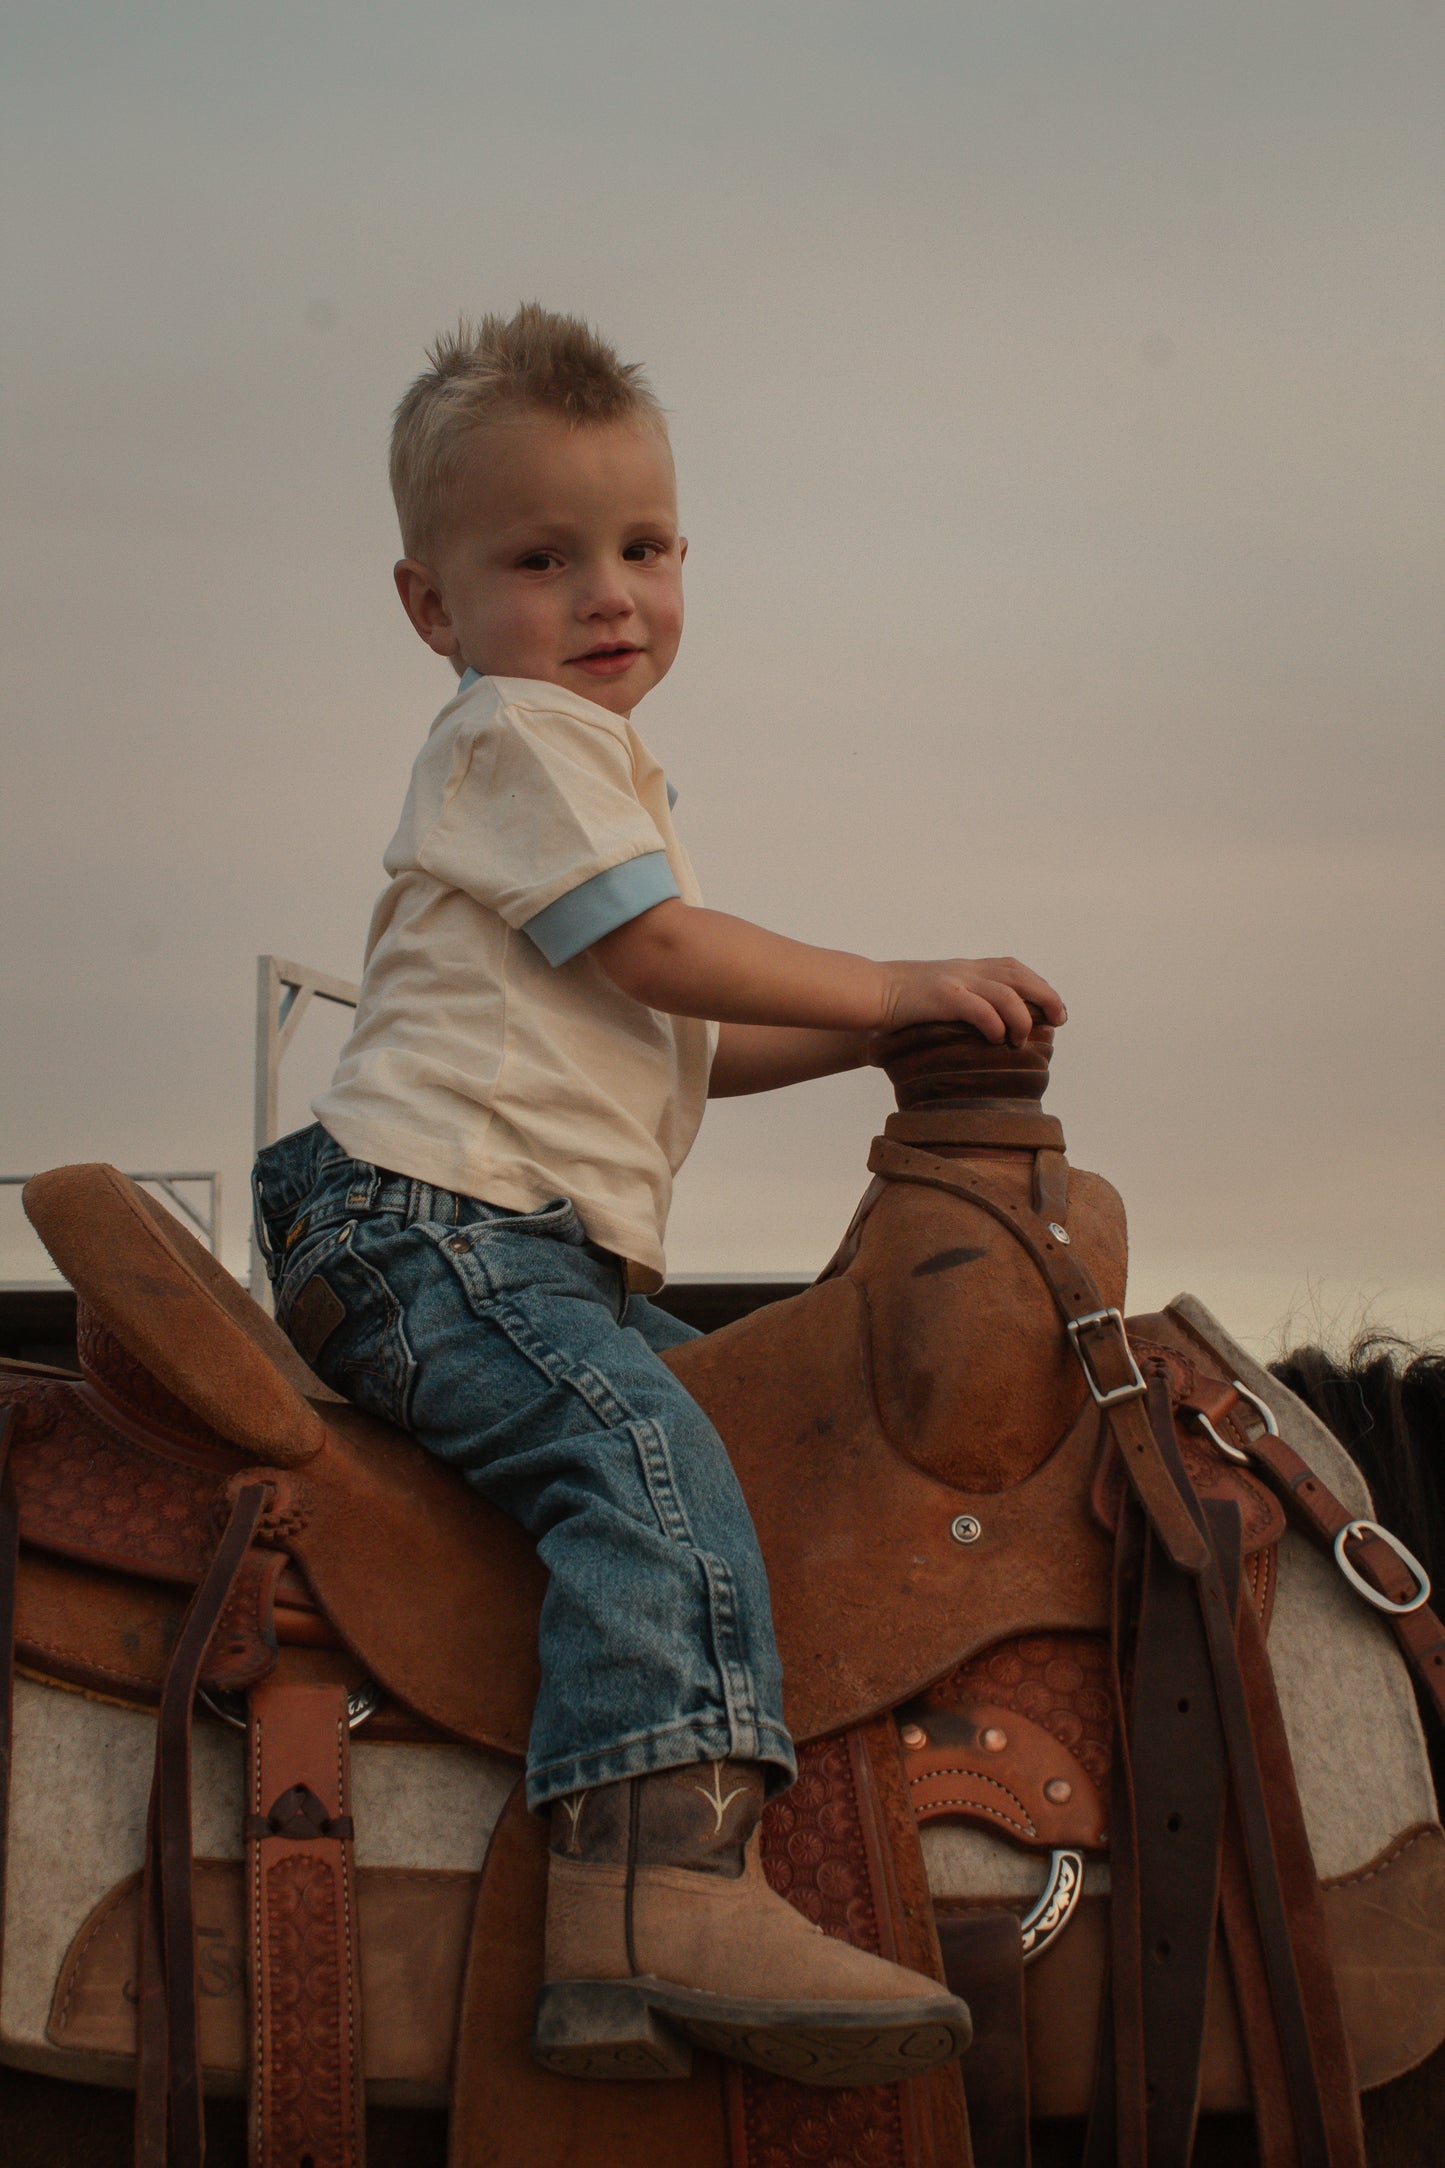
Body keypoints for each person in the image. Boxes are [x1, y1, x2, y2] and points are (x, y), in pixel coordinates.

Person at [252, 304, 1065, 2085]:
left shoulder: (596, 780)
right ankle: (659, 1889)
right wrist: (887, 982)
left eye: (640, 548)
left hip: (520, 1242)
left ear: (686, 554)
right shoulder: (515, 736)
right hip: (430, 1224)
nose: (603, 595)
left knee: (713, 1432)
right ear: (432, 608)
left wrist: (867, 1047)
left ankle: (618, 1960)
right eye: (540, 559)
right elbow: (661, 947)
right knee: (643, 1466)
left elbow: (677, 1024)